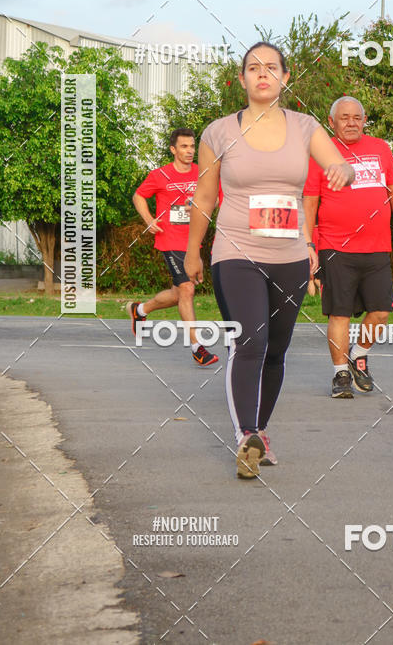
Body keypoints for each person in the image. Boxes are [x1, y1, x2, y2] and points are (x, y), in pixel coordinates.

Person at [184, 42, 354, 479]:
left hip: (291, 256)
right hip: (235, 252)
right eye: (253, 68)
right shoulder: (218, 132)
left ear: (285, 77)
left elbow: (339, 163)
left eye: (271, 67)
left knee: (277, 350)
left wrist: (343, 171)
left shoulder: (304, 126)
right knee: (251, 342)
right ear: (241, 79)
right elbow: (204, 197)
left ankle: (260, 433)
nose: (263, 74)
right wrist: (192, 250)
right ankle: (245, 436)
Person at [303, 97, 393, 398]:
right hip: (335, 246)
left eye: (356, 117)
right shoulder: (320, 153)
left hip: (378, 246)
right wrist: (309, 243)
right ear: (332, 121)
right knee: (339, 314)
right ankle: (340, 375)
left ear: (364, 121)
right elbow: (310, 201)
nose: (351, 122)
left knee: (381, 312)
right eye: (344, 118)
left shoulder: (380, 149)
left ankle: (359, 353)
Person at [126, 128, 218, 366]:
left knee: (178, 294)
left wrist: (202, 205)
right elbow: (138, 196)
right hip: (170, 239)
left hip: (193, 240)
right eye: (184, 147)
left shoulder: (202, 172)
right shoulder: (159, 175)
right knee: (187, 289)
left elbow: (218, 198)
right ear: (173, 150)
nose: (190, 151)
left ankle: (140, 310)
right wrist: (149, 220)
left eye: (192, 146)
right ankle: (198, 347)